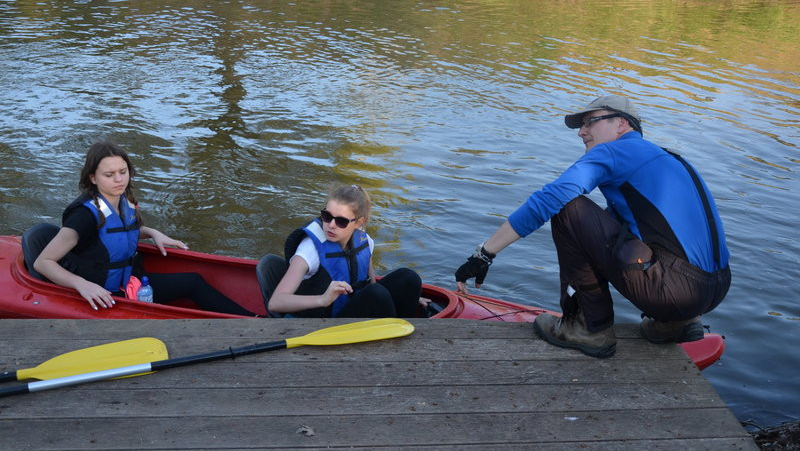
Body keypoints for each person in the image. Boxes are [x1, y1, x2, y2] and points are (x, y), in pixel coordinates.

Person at [454, 96, 731, 358]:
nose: (581, 132)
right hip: (713, 289)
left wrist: (485, 254)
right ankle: (674, 323)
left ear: (621, 124)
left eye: (591, 122)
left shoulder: (615, 150)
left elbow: (548, 199)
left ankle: (587, 327)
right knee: (611, 222)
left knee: (566, 207)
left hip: (676, 290)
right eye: (581, 125)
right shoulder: (666, 158)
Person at [29, 140, 255, 316]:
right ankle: (257, 325)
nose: (119, 180)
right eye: (109, 175)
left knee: (194, 281)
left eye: (123, 171)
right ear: (93, 178)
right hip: (104, 294)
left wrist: (153, 233)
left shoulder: (122, 200)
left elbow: (121, 231)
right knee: (192, 285)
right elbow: (44, 262)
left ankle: (254, 320)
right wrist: (83, 286)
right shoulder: (83, 216)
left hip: (130, 283)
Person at [265, 184, 422, 318]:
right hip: (323, 322)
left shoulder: (365, 242)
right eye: (326, 216)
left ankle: (404, 332)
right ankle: (398, 344)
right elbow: (276, 302)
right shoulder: (309, 249)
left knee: (409, 278)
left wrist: (407, 298)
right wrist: (323, 299)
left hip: (352, 310)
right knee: (376, 295)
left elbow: (371, 284)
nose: (331, 225)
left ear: (358, 222)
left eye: (341, 221)